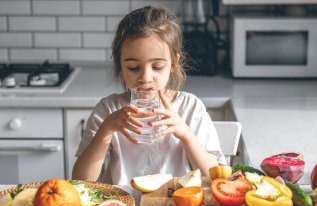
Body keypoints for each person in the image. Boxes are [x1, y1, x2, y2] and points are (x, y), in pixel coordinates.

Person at [72, 5, 226, 185]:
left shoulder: (190, 108)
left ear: (174, 64)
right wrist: (105, 130)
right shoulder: (108, 110)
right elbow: (80, 180)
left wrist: (187, 136)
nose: (145, 78)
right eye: (133, 68)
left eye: (157, 67)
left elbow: (215, 177)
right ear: (120, 65)